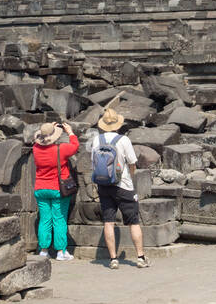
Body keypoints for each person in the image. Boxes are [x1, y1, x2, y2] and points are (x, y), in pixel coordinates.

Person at [90, 107, 149, 269]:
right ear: (117, 124)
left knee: (108, 222)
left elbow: (93, 164)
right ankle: (140, 257)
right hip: (123, 185)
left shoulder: (97, 140)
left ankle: (113, 259)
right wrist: (130, 176)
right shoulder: (123, 140)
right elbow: (132, 163)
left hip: (104, 185)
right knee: (133, 222)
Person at [31, 121, 79, 261]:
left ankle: (44, 250)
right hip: (58, 189)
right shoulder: (61, 149)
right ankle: (61, 251)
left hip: (40, 188)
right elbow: (75, 146)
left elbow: (38, 141)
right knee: (59, 219)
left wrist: (47, 128)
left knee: (45, 219)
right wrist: (70, 131)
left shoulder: (35, 149)